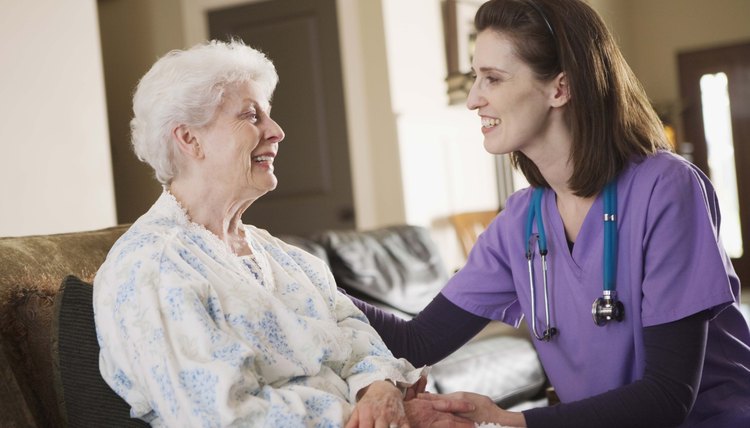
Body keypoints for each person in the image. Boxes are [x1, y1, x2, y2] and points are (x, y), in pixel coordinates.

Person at [352, 0, 750, 427]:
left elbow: (668, 397)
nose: (473, 99)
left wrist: (511, 422)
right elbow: (418, 339)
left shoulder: (666, 188)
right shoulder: (522, 220)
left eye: (493, 79)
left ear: (559, 88)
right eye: (475, 78)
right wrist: (288, 270)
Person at [93, 39, 462, 428]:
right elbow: (221, 416)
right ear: (189, 139)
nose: (277, 131)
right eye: (251, 116)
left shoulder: (283, 256)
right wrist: (366, 416)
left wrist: (380, 390)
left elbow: (363, 343)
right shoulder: (150, 267)